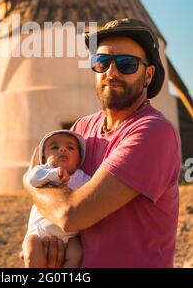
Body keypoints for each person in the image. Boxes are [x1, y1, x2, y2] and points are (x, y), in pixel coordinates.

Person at [23, 18, 181, 268]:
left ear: (148, 75)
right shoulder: (80, 130)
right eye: (102, 62)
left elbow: (70, 215)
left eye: (126, 64)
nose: (111, 72)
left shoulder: (153, 132)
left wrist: (31, 184)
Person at [22, 130, 91, 268]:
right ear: (44, 156)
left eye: (71, 147)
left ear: (79, 159)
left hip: (70, 236)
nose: (63, 149)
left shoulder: (82, 177)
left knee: (76, 254)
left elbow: (92, 191)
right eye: (54, 147)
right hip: (40, 231)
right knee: (31, 251)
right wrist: (54, 174)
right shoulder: (43, 171)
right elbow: (31, 178)